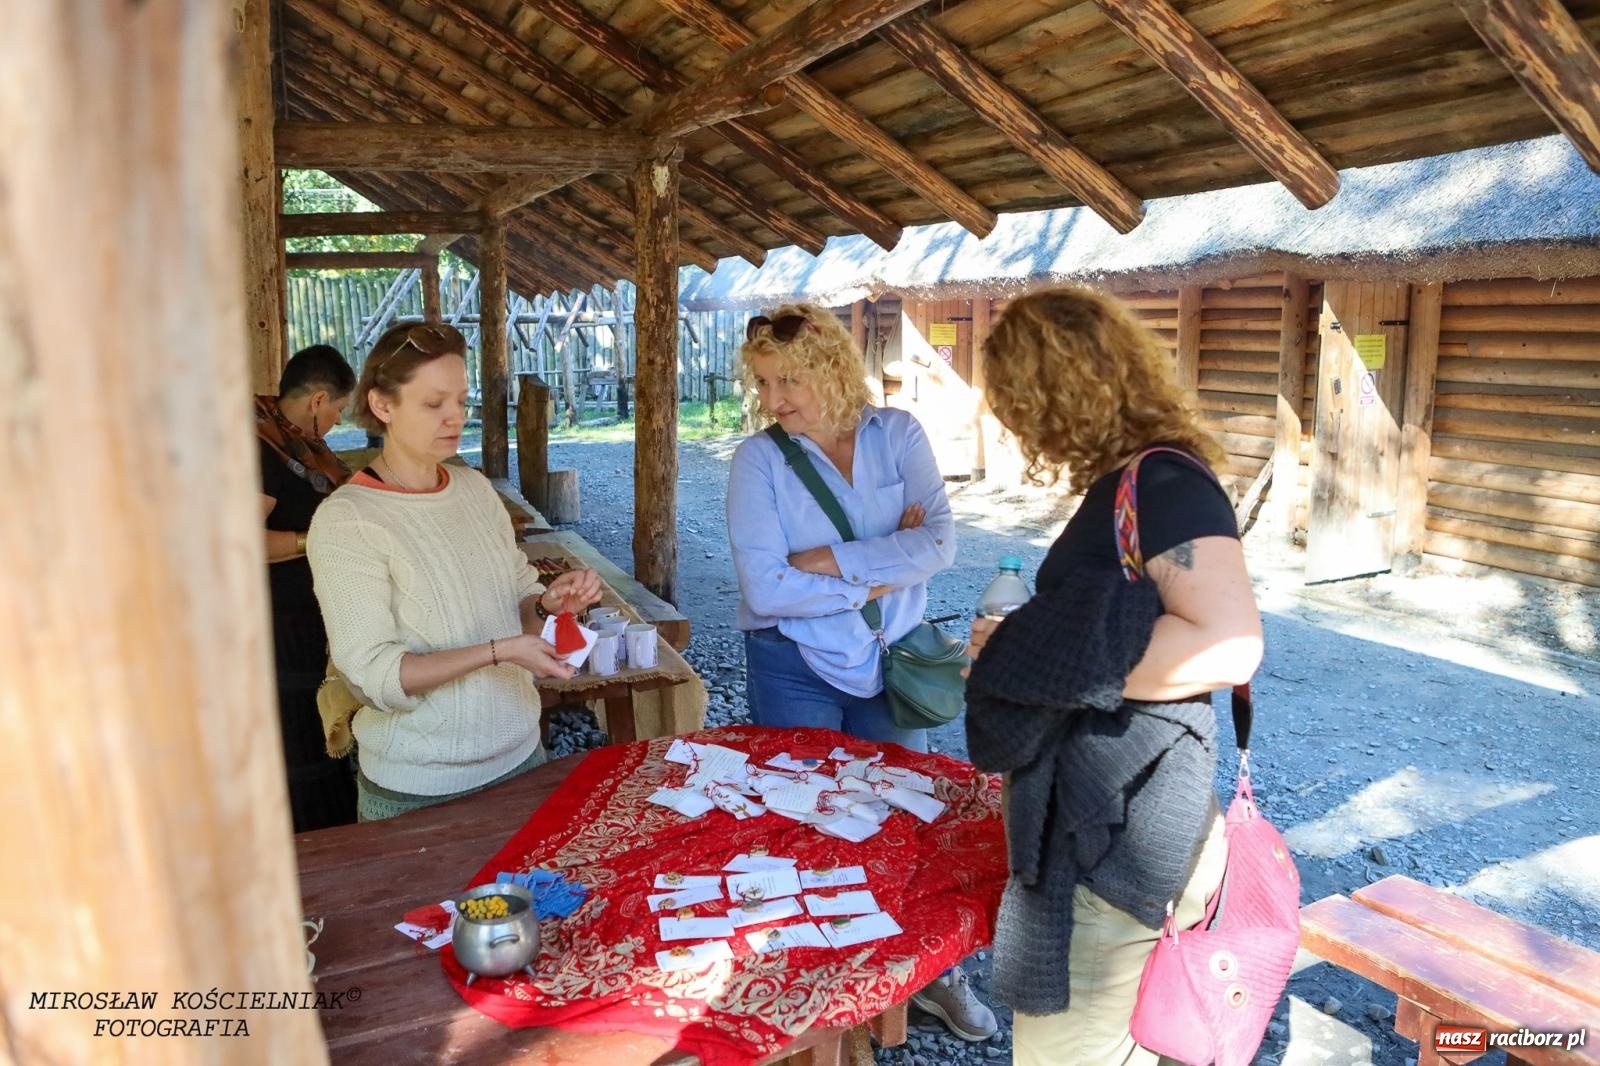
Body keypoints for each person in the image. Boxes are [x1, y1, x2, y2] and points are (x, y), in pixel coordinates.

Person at [964, 287, 1264, 1066]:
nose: (1016, 423)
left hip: (1121, 841)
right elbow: (1114, 621)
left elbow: (1229, 646)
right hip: (1112, 820)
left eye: (1017, 401)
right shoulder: (1132, 484)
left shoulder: (1164, 484)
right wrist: (1034, 638)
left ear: (1056, 393)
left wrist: (1036, 659)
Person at [725, 303, 996, 1042]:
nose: (775, 399)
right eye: (764, 382)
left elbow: (939, 544)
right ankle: (816, 993)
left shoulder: (898, 435)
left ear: (833, 370)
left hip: (892, 659)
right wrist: (875, 575)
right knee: (808, 819)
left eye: (790, 379)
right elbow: (765, 590)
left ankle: (930, 976)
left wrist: (826, 564)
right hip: (792, 665)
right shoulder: (759, 460)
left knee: (906, 815)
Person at [308, 322, 602, 822]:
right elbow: (375, 677)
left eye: (461, 401)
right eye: (433, 403)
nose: (455, 417)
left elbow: (522, 606)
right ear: (383, 406)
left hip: (522, 757)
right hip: (420, 791)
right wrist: (500, 651)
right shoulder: (347, 520)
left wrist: (548, 604)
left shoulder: (475, 491)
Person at [259, 344, 359, 832]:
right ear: (318, 399)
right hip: (279, 622)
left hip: (308, 611)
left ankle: (336, 831)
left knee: (324, 725)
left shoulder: (296, 443)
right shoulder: (259, 449)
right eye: (338, 409)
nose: (338, 420)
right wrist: (314, 539)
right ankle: (313, 848)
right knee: (300, 735)